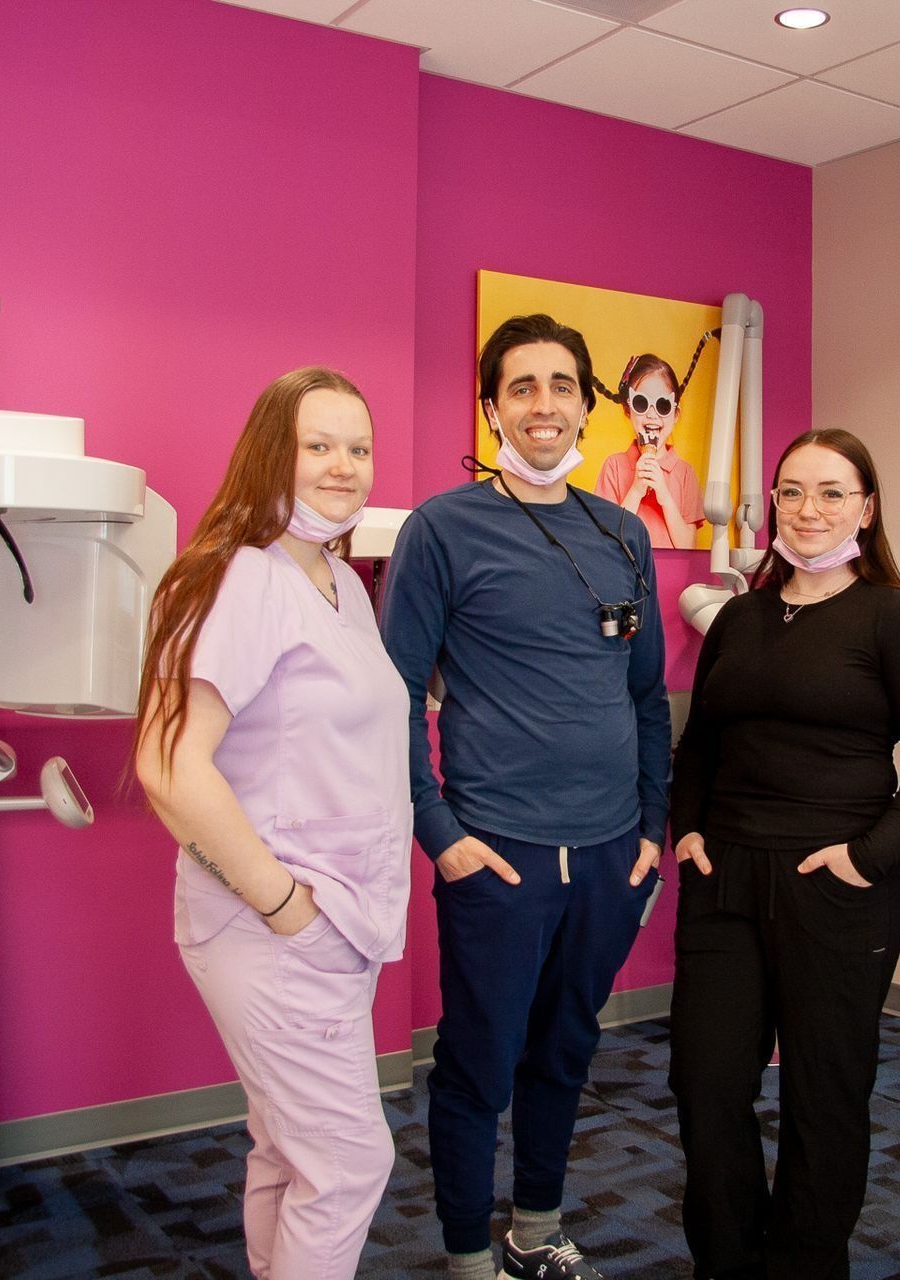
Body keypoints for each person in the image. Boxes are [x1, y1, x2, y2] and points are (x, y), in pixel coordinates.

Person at [380, 313, 669, 1280]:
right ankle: (468, 1258)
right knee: (477, 1065)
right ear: (493, 406)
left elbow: (647, 698)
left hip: (607, 856)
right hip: (497, 855)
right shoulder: (443, 528)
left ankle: (536, 1232)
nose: (543, 405)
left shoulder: (622, 531)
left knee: (565, 1054)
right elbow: (392, 701)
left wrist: (652, 831)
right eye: (521, 387)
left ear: (588, 401)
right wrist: (442, 836)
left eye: (561, 384)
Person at [132, 367, 410, 1279]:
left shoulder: (335, 578)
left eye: (359, 448)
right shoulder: (240, 576)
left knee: (290, 1148)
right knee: (347, 1161)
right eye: (318, 445)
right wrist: (286, 903)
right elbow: (169, 764)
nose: (344, 466)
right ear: (268, 455)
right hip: (281, 920)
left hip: (336, 920)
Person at [668, 428, 900, 1279]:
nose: (809, 510)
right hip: (724, 881)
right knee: (706, 1085)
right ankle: (727, 1260)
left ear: (866, 509)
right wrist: (687, 827)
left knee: (823, 1097)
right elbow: (702, 743)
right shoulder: (741, 617)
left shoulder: (894, 621)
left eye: (833, 492)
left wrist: (867, 857)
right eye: (793, 491)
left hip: (835, 890)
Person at [594, 350, 706, 549]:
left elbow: (688, 547)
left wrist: (664, 496)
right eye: (641, 403)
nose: (652, 415)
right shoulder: (614, 466)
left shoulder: (685, 473)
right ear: (628, 410)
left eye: (663, 405)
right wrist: (636, 490)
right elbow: (607, 543)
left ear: (675, 414)